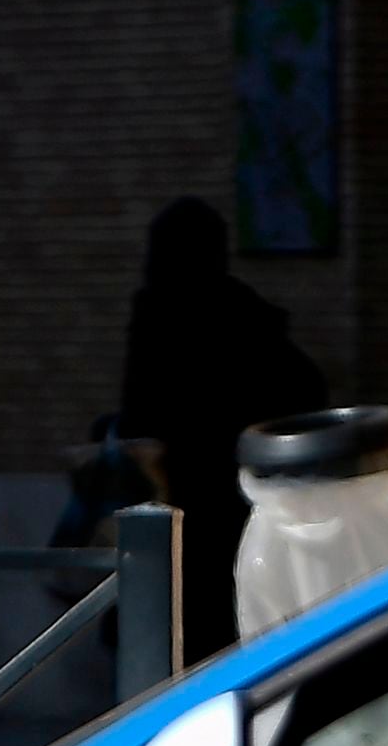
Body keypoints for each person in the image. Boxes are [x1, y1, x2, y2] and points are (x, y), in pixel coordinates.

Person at [116, 195, 327, 655]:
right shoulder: (246, 316)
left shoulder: (159, 316)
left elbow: (141, 417)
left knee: (173, 647)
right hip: (245, 511)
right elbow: (307, 389)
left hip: (180, 513)